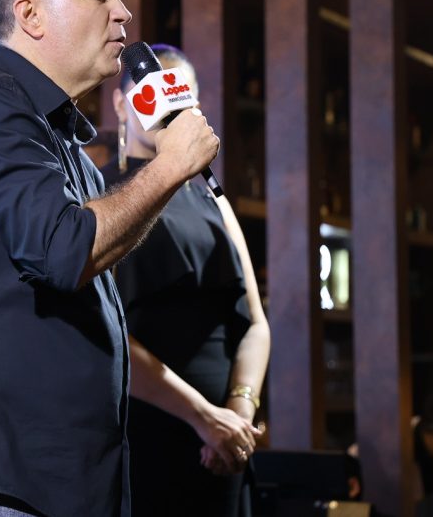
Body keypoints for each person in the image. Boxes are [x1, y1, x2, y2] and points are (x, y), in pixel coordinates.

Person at [0, 0, 259, 517]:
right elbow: (65, 250)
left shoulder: (62, 146)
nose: (124, 13)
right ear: (31, 15)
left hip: (62, 489)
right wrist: (171, 164)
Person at [101, 44, 271, 517]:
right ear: (120, 105)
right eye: (151, 91)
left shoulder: (212, 199)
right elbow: (104, 331)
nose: (167, 105)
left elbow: (255, 323)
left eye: (181, 94)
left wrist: (238, 411)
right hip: (147, 436)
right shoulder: (100, 196)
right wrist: (203, 417)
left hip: (224, 446)